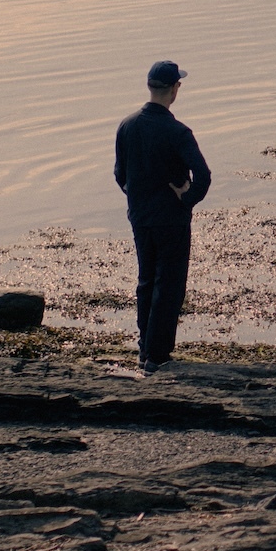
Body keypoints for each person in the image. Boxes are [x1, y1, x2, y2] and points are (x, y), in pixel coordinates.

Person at [114, 61, 211, 373]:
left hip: (141, 217)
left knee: (146, 281)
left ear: (149, 86)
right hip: (171, 219)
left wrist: (137, 197)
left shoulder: (127, 126)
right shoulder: (178, 132)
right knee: (168, 285)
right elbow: (204, 176)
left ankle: (145, 349)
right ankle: (157, 356)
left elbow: (120, 175)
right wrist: (187, 197)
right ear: (174, 89)